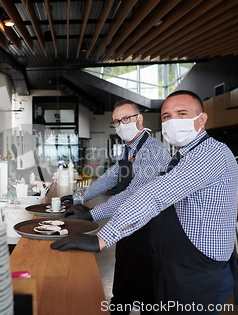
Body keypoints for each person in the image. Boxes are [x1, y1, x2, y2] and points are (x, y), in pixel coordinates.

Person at [52, 91, 238, 314]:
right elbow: (111, 177)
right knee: (129, 293)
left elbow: (151, 194)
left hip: (197, 266)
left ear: (201, 119)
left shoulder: (209, 154)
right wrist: (81, 199)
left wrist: (100, 234)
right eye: (167, 116)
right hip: (175, 257)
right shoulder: (179, 155)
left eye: (182, 113)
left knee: (142, 296)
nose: (173, 121)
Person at [71, 99, 170, 314]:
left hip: (148, 230)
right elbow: (111, 177)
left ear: (139, 119)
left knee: (146, 293)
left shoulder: (153, 150)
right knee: (123, 285)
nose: (121, 124)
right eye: (116, 121)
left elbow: (135, 193)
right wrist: (80, 198)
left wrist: (92, 214)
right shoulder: (128, 149)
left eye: (126, 118)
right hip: (126, 228)